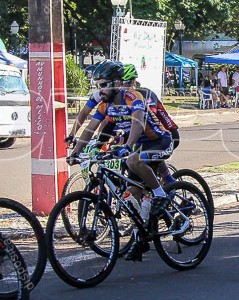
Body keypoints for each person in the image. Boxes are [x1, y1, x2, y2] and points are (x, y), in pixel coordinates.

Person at [70, 60, 176, 242]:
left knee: (132, 160)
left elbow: (137, 124)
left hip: (159, 140)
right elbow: (90, 129)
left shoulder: (133, 97)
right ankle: (143, 234)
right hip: (139, 147)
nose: (99, 90)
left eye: (103, 85)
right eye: (97, 86)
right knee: (134, 192)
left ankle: (161, 194)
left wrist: (127, 147)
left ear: (117, 84)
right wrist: (76, 152)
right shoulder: (105, 105)